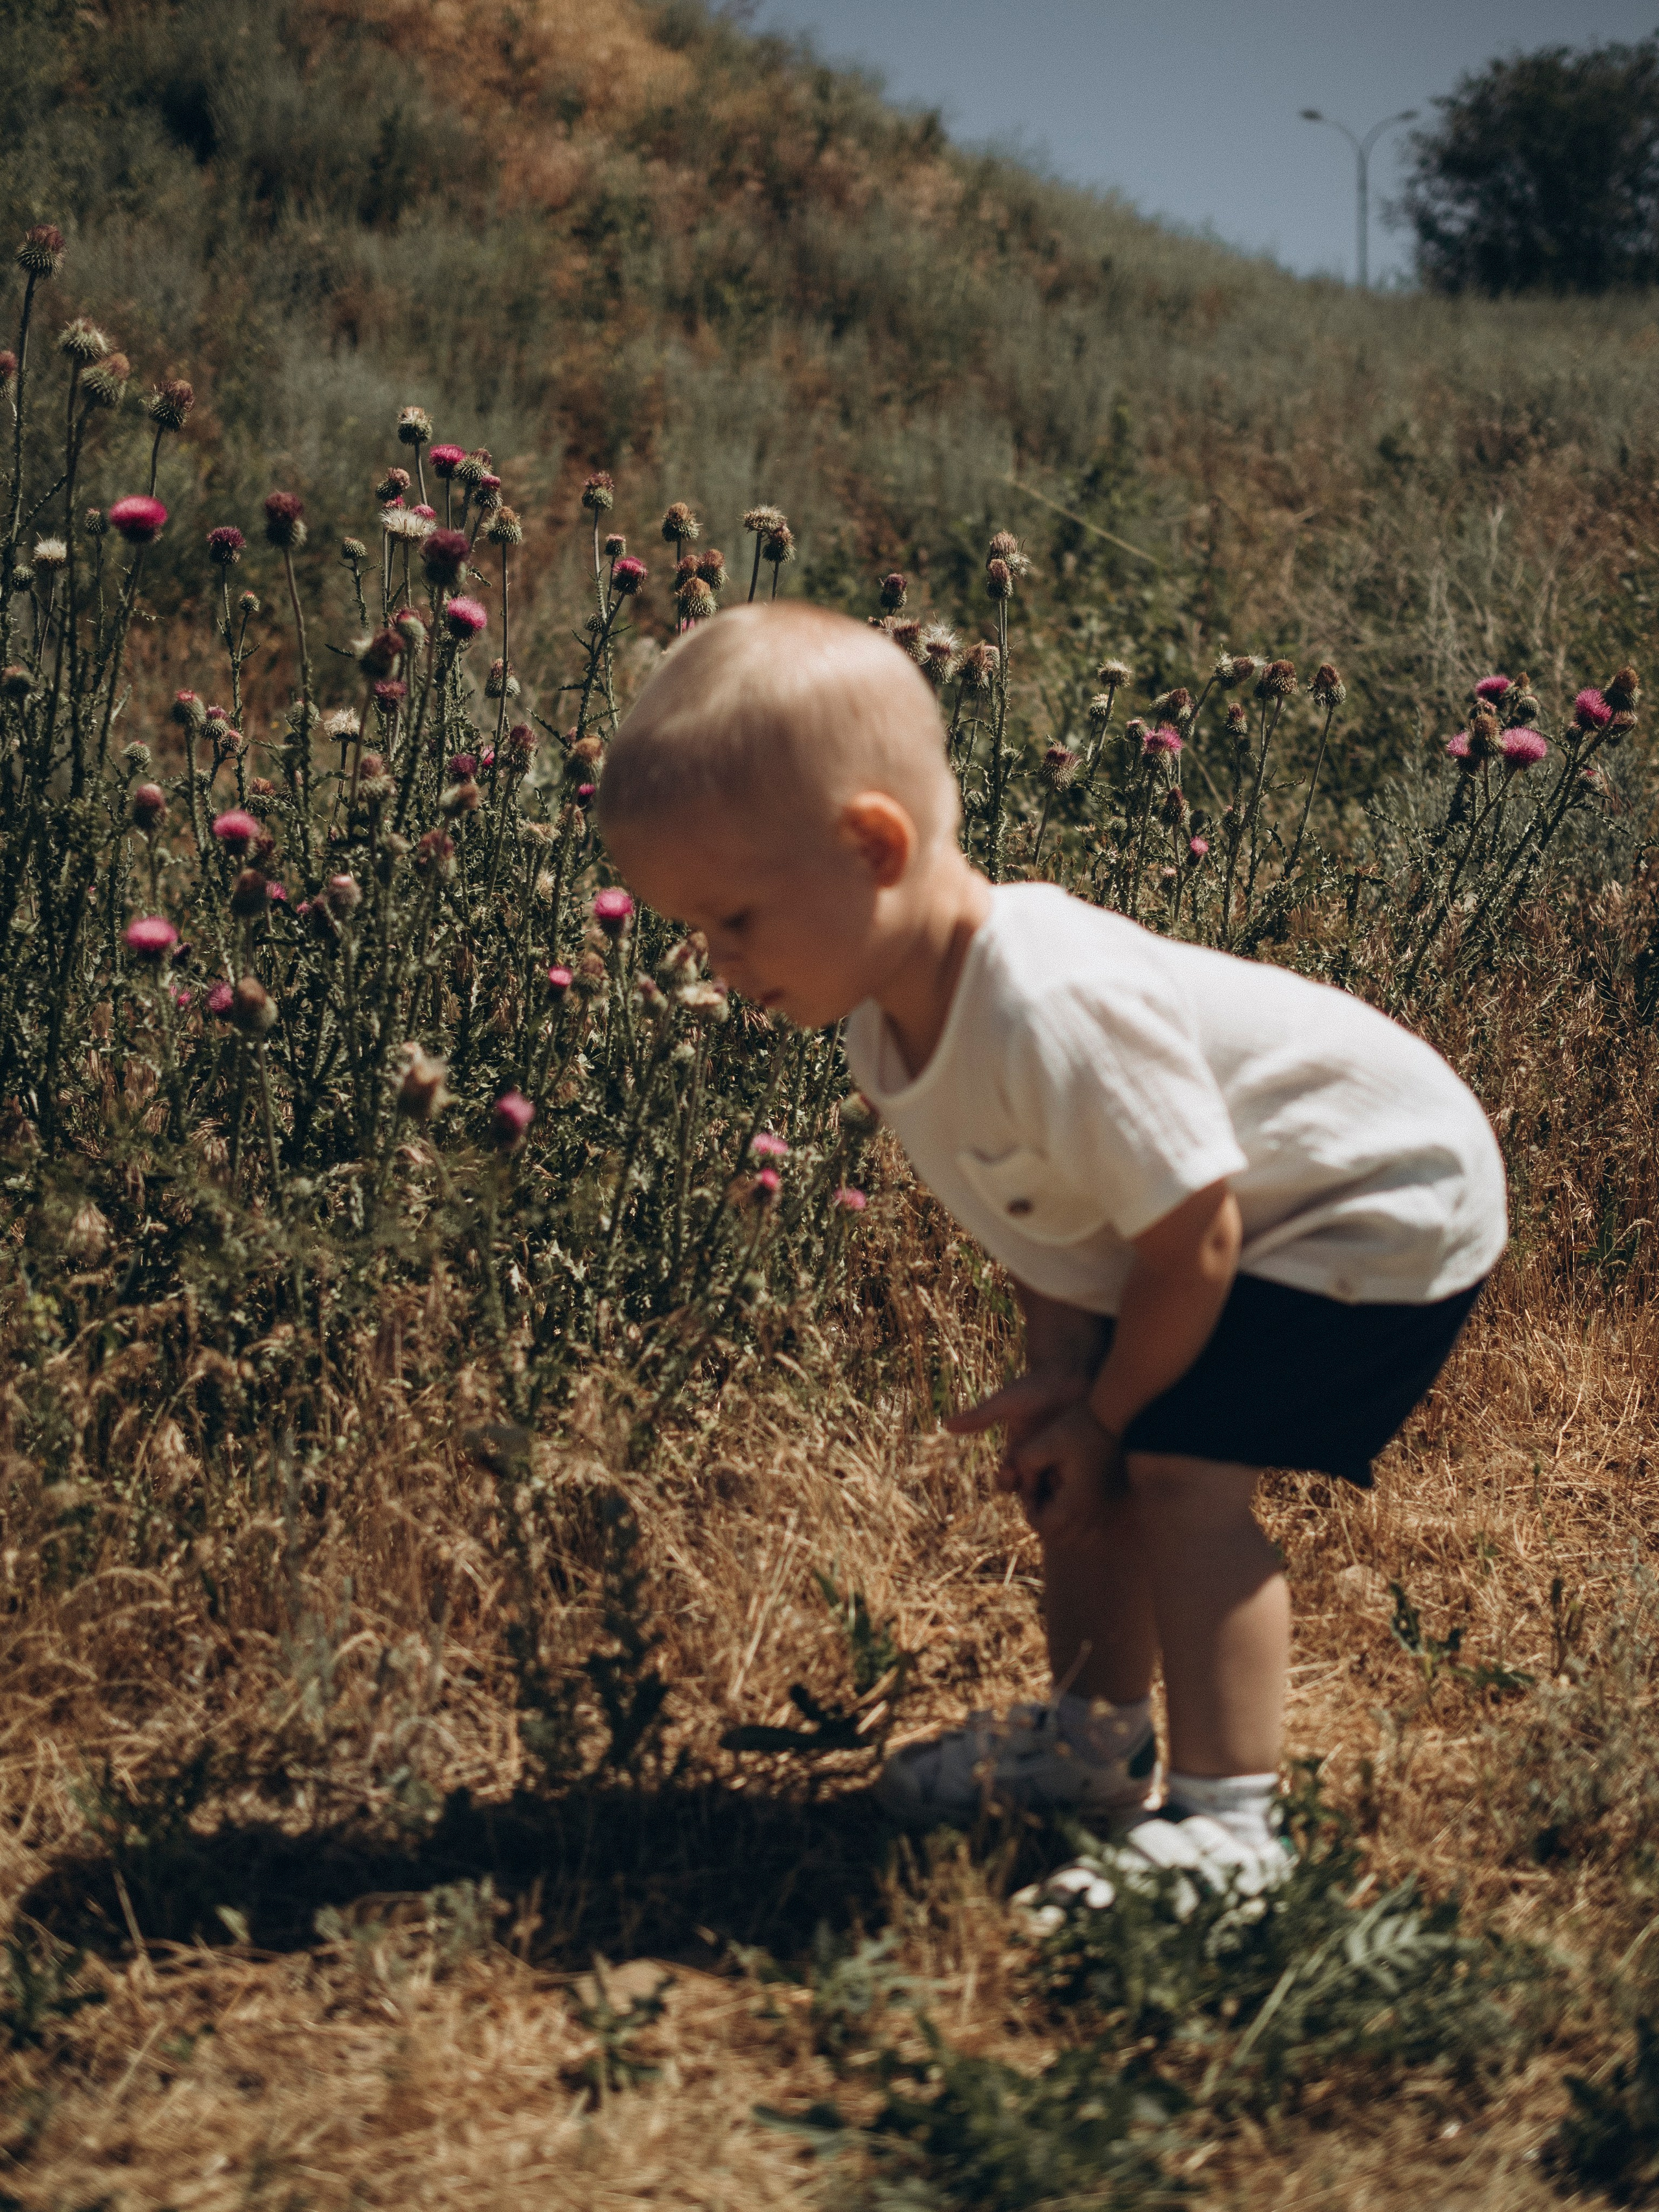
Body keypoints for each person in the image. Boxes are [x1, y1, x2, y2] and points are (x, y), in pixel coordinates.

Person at [597, 601, 1507, 1908]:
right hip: (1239, 1208)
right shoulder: (882, 1022)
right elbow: (1045, 1219)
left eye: (731, 918)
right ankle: (1092, 1747)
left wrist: (1114, 1409)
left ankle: (1227, 1831)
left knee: (1176, 1466)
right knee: (1077, 1469)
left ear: (871, 846)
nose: (710, 961)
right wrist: (1064, 1386)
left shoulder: (1043, 1004)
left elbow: (1194, 1234)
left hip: (1379, 1195)